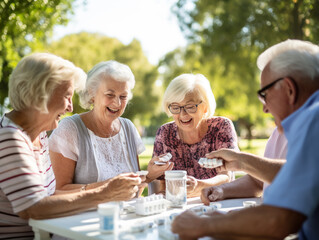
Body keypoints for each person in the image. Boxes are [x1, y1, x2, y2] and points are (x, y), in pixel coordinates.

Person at [171, 39, 319, 240]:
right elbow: (295, 173)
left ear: (289, 89)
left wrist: (205, 224)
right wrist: (240, 161)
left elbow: (278, 219)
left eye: (264, 95)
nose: (264, 108)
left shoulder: (314, 118)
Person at [0, 53, 142, 239]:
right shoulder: (10, 138)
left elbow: (48, 196)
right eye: (67, 96)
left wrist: (109, 189)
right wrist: (104, 194)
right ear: (40, 94)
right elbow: (33, 209)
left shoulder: (39, 135)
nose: (70, 108)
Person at [49, 60, 171, 193]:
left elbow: (133, 189)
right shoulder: (70, 129)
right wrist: (110, 185)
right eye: (110, 95)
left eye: (123, 96)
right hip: (87, 214)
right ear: (92, 93)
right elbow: (59, 190)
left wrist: (149, 175)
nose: (117, 103)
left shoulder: (128, 128)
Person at [151, 73, 239, 197]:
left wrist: (200, 186)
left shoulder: (221, 127)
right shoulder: (165, 133)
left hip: (215, 201)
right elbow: (159, 182)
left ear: (204, 107)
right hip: (177, 206)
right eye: (175, 107)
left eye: (190, 106)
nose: (183, 115)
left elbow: (226, 175)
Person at [202, 127, 287, 202]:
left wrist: (241, 160)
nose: (265, 110)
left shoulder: (299, 132)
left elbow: (294, 174)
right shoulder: (278, 132)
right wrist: (221, 189)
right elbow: (260, 181)